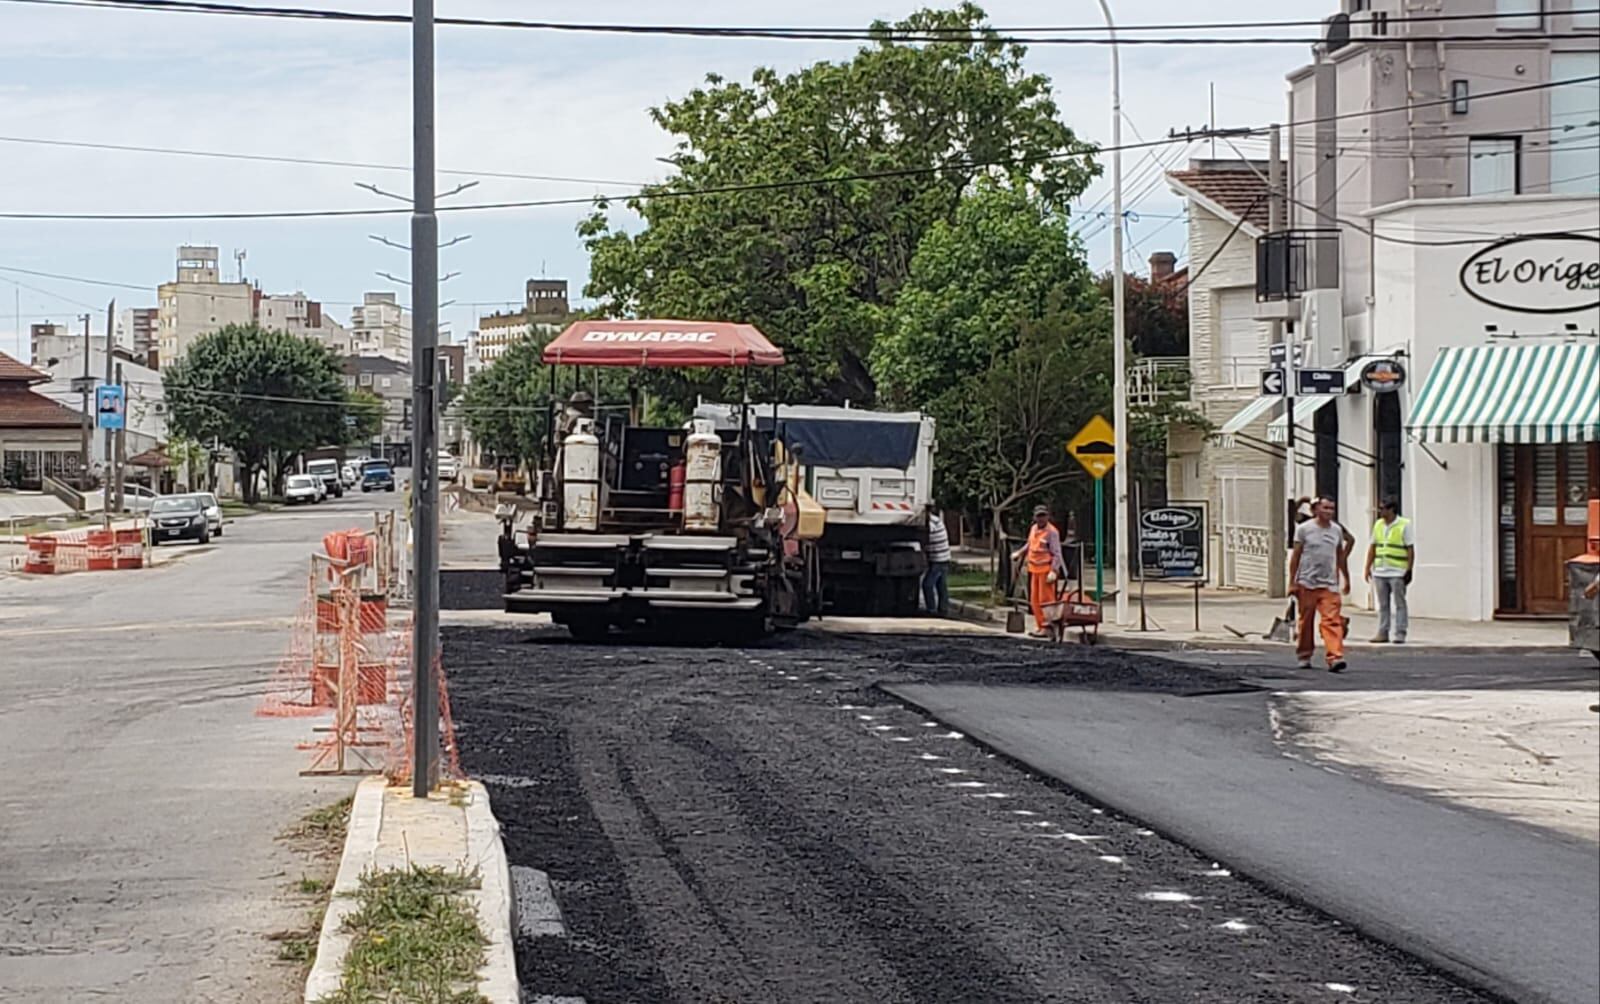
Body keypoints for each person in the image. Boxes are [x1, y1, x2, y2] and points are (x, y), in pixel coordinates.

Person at [1290, 496, 1351, 672]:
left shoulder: (1336, 530)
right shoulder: (1304, 530)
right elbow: (1296, 556)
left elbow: (1340, 556)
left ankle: (1335, 657)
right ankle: (1304, 654)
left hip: (1329, 583)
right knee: (1306, 621)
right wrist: (1292, 582)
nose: (1329, 512)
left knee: (1332, 621)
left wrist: (1345, 578)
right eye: (1325, 508)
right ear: (1316, 510)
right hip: (1307, 582)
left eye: (1331, 509)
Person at [1363, 497, 1415, 644]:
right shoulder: (1378, 525)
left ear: (1391, 509)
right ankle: (1383, 632)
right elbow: (1373, 547)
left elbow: (1410, 549)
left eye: (1383, 508)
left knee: (1399, 603)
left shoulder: (1404, 525)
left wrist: (1409, 570)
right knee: (1383, 604)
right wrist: (1368, 567)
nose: (1381, 511)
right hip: (1380, 570)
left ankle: (1400, 632)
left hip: (1397, 571)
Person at [1011, 505, 1067, 639]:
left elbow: (1057, 553)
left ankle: (1049, 627)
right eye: (1038, 516)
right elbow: (1030, 544)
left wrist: (1054, 570)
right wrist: (1020, 552)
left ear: (1047, 516)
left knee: (1046, 600)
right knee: (1034, 600)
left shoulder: (1052, 532)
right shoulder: (1034, 529)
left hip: (1046, 571)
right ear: (1035, 517)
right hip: (1034, 569)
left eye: (1043, 516)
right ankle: (1041, 626)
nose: (1041, 519)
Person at [922, 506, 951, 616]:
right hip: (941, 558)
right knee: (941, 585)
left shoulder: (933, 523)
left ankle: (932, 610)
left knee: (927, 584)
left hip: (939, 559)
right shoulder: (935, 521)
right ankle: (943, 610)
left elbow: (927, 538)